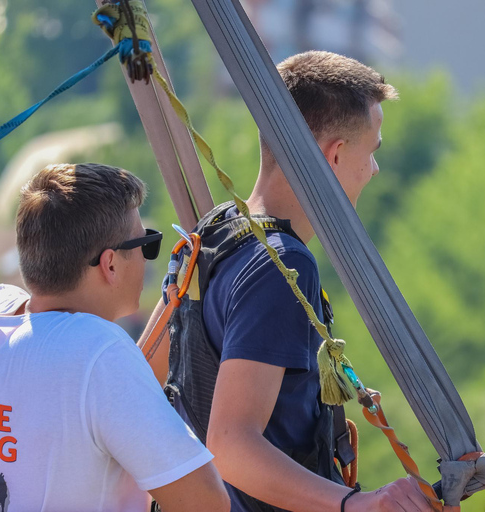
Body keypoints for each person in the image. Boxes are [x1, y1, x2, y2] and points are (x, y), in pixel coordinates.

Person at [146, 51, 436, 511]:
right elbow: (230, 445)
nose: (374, 170)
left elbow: (144, 382)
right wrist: (353, 505)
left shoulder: (212, 232)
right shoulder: (281, 267)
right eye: (372, 152)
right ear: (335, 155)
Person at [0, 163, 230, 512]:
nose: (149, 258)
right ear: (110, 264)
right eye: (146, 244)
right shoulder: (101, 352)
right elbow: (206, 502)